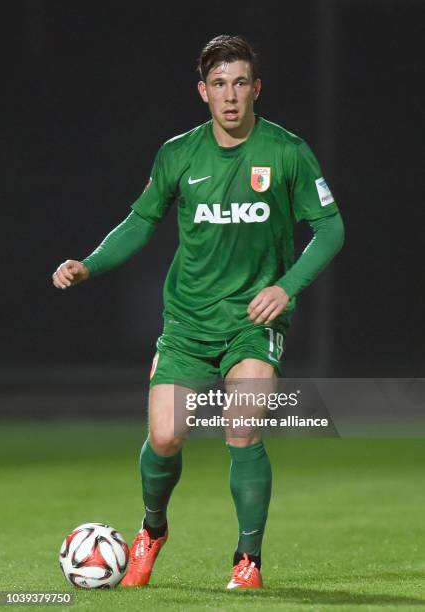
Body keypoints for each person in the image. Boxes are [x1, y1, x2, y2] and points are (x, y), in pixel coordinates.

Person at [52, 34, 344, 589]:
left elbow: (330, 228)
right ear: (202, 93)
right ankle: (152, 529)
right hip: (188, 322)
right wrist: (88, 264)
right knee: (165, 436)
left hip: (255, 321)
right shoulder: (179, 154)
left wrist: (286, 287)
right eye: (219, 85)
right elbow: (140, 222)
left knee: (243, 427)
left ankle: (248, 560)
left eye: (240, 84)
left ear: (256, 89)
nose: (230, 96)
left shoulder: (286, 152)